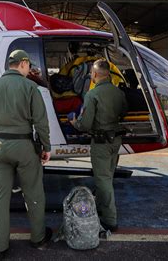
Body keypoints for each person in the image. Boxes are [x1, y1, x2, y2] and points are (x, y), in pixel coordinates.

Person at [0, 49, 52, 259]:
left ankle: (0, 245)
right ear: (22, 63)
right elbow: (40, 121)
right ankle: (38, 237)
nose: (29, 68)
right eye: (28, 64)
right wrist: (46, 147)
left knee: (1, 195)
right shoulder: (30, 87)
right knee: (33, 192)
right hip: (24, 147)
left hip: (0, 146)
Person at [70, 59, 128, 231]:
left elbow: (85, 124)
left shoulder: (92, 95)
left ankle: (110, 220)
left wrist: (74, 123)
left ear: (94, 75)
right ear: (108, 74)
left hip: (101, 142)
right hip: (115, 141)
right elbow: (123, 112)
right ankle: (101, 209)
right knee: (108, 176)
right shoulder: (118, 93)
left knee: (103, 180)